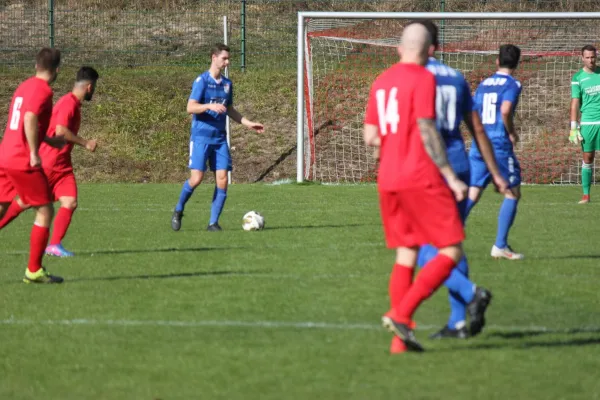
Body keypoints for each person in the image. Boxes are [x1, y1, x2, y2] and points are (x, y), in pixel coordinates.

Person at [364, 23, 468, 353]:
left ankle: (400, 343)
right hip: (419, 177)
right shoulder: (425, 78)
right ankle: (401, 314)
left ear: (398, 48)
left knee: (407, 253)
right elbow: (426, 128)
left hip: (388, 179)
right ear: (431, 51)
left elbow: (370, 136)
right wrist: (450, 177)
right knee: (451, 249)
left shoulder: (381, 81)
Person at [415, 20, 509, 341]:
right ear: (437, 46)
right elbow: (477, 129)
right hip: (461, 162)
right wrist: (496, 173)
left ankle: (472, 294)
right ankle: (458, 323)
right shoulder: (456, 77)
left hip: (431, 167)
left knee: (420, 248)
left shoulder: (414, 76)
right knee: (451, 244)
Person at [0, 67, 100, 258]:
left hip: (62, 166)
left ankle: (54, 245)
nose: (94, 90)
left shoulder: (73, 105)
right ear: (89, 87)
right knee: (23, 202)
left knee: (69, 202)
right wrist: (85, 142)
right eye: (94, 87)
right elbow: (60, 131)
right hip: (50, 163)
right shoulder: (67, 103)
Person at [171, 43, 264, 232]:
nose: (227, 62)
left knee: (222, 179)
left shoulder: (228, 85)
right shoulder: (202, 81)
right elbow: (190, 107)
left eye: (229, 59)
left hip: (220, 139)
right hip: (201, 138)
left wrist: (248, 123)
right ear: (214, 57)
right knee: (196, 179)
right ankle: (179, 209)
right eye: (224, 58)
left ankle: (213, 223)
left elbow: (230, 110)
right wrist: (209, 106)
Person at [0, 47, 65, 283]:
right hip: (22, 158)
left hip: (6, 153)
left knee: (3, 206)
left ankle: (34, 269)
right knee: (45, 209)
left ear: (36, 66)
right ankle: (34, 270)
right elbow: (29, 118)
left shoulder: (24, 86)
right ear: (57, 69)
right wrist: (36, 152)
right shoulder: (43, 90)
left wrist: (48, 139)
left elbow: (25, 122)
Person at [465, 44, 524, 260]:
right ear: (517, 64)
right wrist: (512, 132)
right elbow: (506, 110)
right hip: (498, 143)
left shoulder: (484, 84)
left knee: (473, 191)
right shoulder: (513, 84)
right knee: (512, 192)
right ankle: (500, 246)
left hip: (479, 143)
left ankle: (446, 239)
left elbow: (474, 111)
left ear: (497, 61)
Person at [569, 45, 600, 204]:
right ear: (582, 58)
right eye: (587, 57)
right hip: (588, 122)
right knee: (588, 158)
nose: (590, 60)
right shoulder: (577, 77)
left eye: (593, 57)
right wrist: (573, 127)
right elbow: (575, 103)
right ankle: (586, 195)